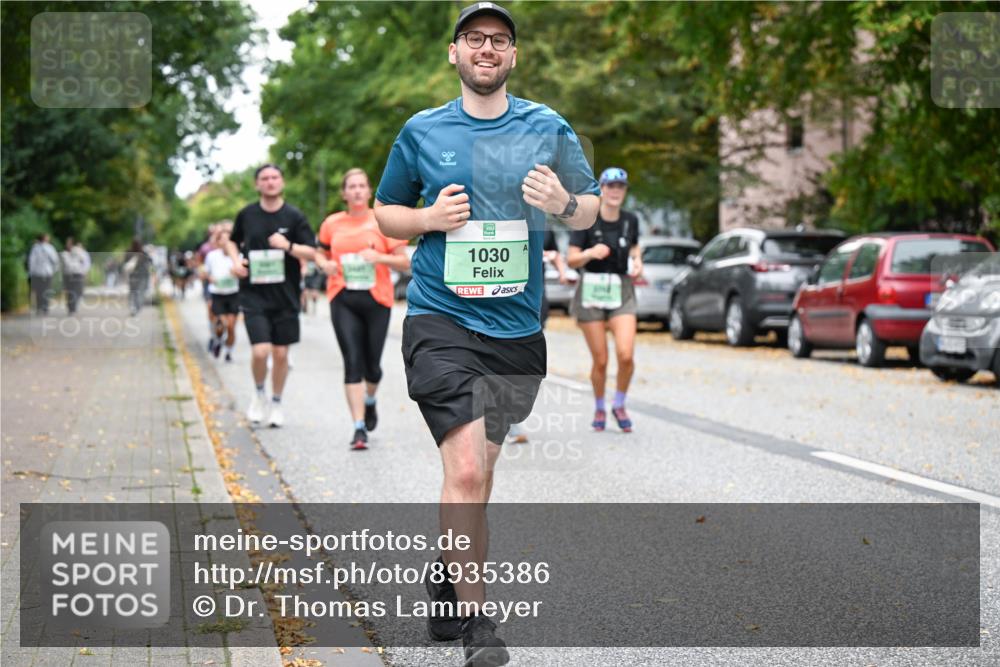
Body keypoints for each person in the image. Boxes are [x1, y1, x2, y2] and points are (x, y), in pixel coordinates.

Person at [373, 4, 599, 664]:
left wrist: (560, 202)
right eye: (475, 39)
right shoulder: (422, 131)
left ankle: (447, 573)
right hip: (441, 319)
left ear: (514, 56)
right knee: (466, 467)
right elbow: (387, 214)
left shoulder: (546, 125)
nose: (488, 48)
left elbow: (589, 208)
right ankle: (478, 624)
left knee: (482, 471)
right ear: (454, 53)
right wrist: (427, 216)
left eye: (500, 40)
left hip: (517, 331)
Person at [316, 168, 410, 450]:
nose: (356, 191)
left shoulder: (382, 221)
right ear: (344, 193)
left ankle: (370, 401)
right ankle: (358, 427)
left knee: (373, 367)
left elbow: (404, 262)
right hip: (342, 297)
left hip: (377, 300)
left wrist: (377, 256)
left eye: (361, 186)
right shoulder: (332, 223)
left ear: (369, 192)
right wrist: (325, 264)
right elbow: (320, 252)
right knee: (352, 362)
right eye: (351, 186)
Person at [226, 164, 315, 428]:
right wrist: (235, 261)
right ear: (257, 185)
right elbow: (232, 241)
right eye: (264, 178)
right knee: (260, 351)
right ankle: (258, 392)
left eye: (274, 177)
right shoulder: (247, 215)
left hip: (286, 296)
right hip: (253, 294)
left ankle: (276, 402)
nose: (270, 182)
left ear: (282, 183)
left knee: (280, 354)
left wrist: (288, 246)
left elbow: (313, 252)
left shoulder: (294, 216)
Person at [566, 167, 643, 433]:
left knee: (626, 354)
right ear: (601, 189)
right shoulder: (587, 220)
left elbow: (634, 247)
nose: (615, 191)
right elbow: (571, 259)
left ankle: (619, 404)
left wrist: (638, 261)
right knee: (601, 360)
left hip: (620, 289)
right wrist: (590, 253)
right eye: (610, 186)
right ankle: (599, 406)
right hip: (591, 290)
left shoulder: (630, 220)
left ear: (624, 191)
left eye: (620, 186)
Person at [204, 225, 240, 362]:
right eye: (223, 241)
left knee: (231, 327)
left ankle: (229, 352)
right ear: (218, 242)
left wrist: (236, 272)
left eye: (228, 241)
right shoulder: (212, 256)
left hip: (233, 294)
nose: (226, 244)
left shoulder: (237, 256)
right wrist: (211, 278)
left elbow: (243, 272)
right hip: (218, 294)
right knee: (221, 324)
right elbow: (206, 272)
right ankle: (218, 340)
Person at [197, 224, 221, 347]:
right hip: (209, 282)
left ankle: (220, 334)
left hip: (224, 284)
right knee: (211, 309)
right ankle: (213, 335)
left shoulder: (229, 246)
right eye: (212, 231)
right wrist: (205, 274)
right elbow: (199, 262)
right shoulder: (205, 248)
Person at [28, 233, 60, 315]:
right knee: (46, 290)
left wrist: (31, 272)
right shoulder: (50, 248)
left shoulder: (35, 248)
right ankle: (45, 307)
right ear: (45, 239)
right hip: (47, 272)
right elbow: (55, 260)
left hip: (37, 273)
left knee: (39, 290)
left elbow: (31, 261)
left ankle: (39, 307)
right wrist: (54, 271)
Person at [60, 237, 91, 315]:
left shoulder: (79, 252)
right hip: (67, 274)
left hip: (77, 273)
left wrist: (84, 271)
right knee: (70, 291)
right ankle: (71, 308)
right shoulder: (64, 253)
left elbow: (85, 262)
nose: (68, 244)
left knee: (77, 291)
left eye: (69, 242)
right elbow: (63, 265)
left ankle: (73, 306)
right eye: (67, 243)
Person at [124, 238, 152, 316]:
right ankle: (137, 307)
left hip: (133, 275)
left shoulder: (128, 252)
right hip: (141, 275)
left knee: (133, 292)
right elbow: (150, 262)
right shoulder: (143, 253)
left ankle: (134, 307)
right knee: (139, 292)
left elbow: (125, 264)